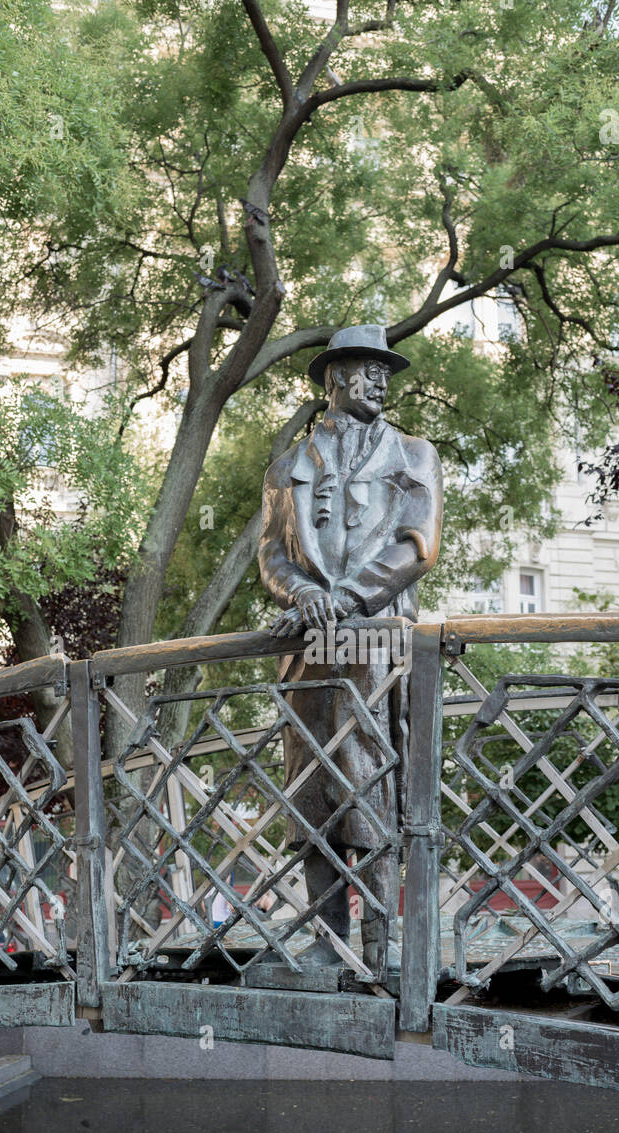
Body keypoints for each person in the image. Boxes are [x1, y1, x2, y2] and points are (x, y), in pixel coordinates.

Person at [258, 324, 443, 974]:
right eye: (368, 371)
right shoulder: (288, 466)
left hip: (376, 642)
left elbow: (417, 544)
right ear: (333, 379)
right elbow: (272, 555)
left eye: (385, 373)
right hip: (309, 650)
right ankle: (326, 944)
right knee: (311, 794)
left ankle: (381, 949)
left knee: (372, 790)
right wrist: (301, 593)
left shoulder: (413, 454)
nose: (381, 384)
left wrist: (346, 597)